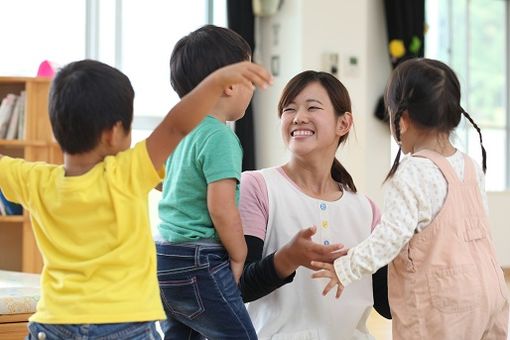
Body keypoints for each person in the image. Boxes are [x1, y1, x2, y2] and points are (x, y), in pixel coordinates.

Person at [0, 59, 271, 339]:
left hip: (53, 325)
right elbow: (176, 126)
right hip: (122, 325)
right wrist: (215, 82)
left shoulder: (34, 180)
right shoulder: (125, 173)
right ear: (113, 133)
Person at [312, 58, 509, 339]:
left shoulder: (414, 171)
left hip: (443, 302)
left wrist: (345, 267)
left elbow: (389, 239)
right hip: (491, 290)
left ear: (402, 120)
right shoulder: (469, 166)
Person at [238, 70, 391, 340]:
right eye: (289, 109)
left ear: (343, 124)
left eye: (312, 107)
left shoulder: (366, 211)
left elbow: (387, 304)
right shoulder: (257, 186)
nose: (298, 117)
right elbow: (237, 288)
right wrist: (287, 259)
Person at [155, 25, 269, 339]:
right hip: (199, 260)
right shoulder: (220, 137)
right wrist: (239, 254)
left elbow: (161, 180)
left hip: (164, 257)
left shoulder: (182, 131)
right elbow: (221, 208)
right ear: (230, 85)